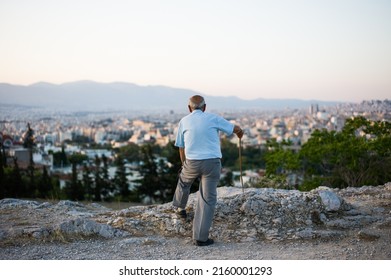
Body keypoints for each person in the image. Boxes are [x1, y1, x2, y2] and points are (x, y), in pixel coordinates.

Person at [172, 95, 244, 246]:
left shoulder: (184, 121)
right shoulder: (213, 118)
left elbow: (181, 146)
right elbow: (235, 129)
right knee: (207, 199)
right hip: (212, 163)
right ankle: (200, 237)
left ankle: (179, 208)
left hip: (191, 162)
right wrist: (240, 134)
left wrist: (183, 163)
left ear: (189, 108)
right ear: (204, 107)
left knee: (184, 182)